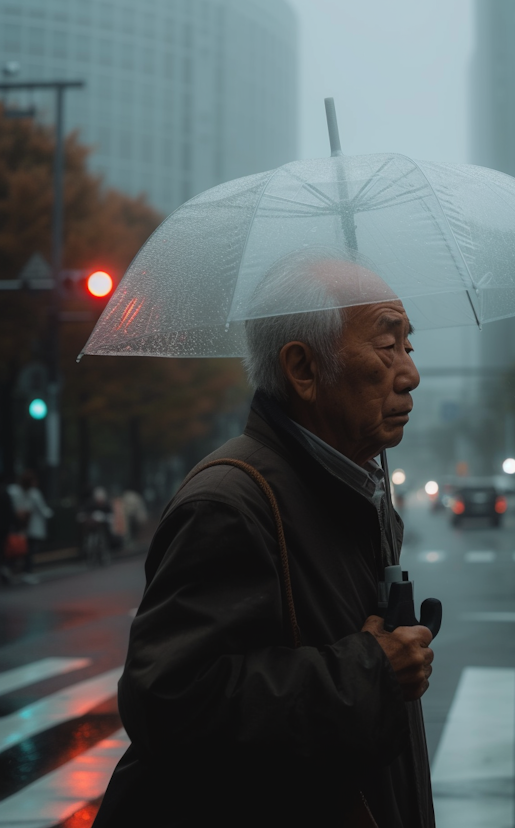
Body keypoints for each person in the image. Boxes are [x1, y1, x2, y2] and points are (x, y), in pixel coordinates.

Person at [94, 256, 436, 828]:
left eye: (409, 346)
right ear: (303, 368)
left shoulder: (351, 489)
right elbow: (170, 702)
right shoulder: (231, 502)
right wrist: (371, 671)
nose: (410, 373)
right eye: (386, 346)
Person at [19, 470, 53, 585]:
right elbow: (42, 509)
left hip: (24, 526)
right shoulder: (34, 493)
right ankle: (27, 573)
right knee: (30, 551)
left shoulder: (21, 492)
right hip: (33, 526)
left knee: (26, 550)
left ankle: (24, 572)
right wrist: (49, 514)